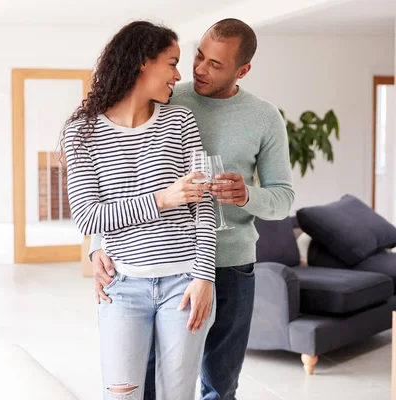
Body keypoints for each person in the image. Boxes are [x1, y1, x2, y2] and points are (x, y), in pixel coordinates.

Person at [89, 18, 295, 400]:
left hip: (231, 265)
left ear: (243, 70)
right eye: (198, 56)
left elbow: (283, 198)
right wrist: (99, 245)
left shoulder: (265, 118)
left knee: (220, 384)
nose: (198, 69)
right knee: (149, 380)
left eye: (215, 65)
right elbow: (119, 173)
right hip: (163, 263)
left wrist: (247, 195)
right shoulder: (167, 95)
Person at [62, 21, 218, 400]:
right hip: (122, 287)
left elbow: (205, 203)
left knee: (176, 395)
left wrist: (204, 276)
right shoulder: (81, 132)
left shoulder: (180, 121)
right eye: (172, 62)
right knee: (121, 394)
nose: (179, 75)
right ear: (142, 62)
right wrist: (164, 199)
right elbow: (88, 217)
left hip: (184, 284)